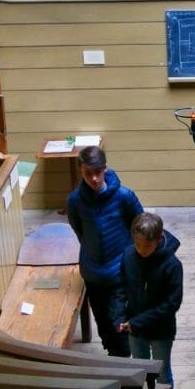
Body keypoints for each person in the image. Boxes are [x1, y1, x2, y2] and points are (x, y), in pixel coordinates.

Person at [66, 146, 143, 357]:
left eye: (98, 172)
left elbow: (140, 227)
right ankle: (114, 357)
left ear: (105, 168)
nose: (94, 178)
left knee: (119, 322)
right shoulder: (75, 201)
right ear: (81, 171)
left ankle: (124, 363)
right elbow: (79, 230)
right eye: (87, 173)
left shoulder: (124, 196)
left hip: (120, 271)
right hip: (92, 273)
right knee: (103, 323)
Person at [114, 211, 183, 387]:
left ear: (159, 238)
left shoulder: (172, 265)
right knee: (141, 371)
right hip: (135, 329)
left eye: (147, 245)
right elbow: (121, 288)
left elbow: (171, 304)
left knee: (162, 374)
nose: (142, 250)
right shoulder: (129, 255)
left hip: (161, 330)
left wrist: (137, 322)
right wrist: (120, 316)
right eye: (137, 244)